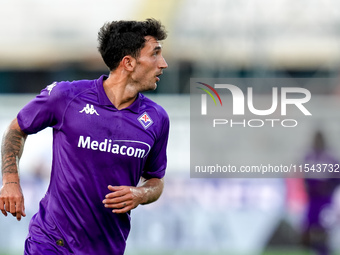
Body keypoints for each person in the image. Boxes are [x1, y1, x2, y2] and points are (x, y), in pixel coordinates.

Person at [0, 18, 169, 255]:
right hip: (51, 243)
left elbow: (156, 181)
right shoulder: (66, 96)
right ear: (128, 62)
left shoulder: (157, 118)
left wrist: (140, 194)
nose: (164, 64)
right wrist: (10, 182)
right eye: (155, 54)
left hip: (107, 248)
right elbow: (17, 129)